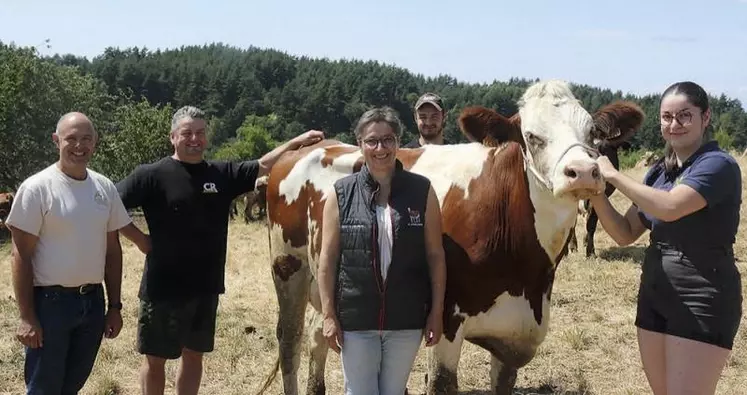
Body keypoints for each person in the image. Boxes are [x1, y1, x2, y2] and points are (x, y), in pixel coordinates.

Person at [115, 105, 324, 395]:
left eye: (200, 133)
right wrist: (139, 239)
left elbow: (262, 164)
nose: (194, 139)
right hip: (163, 287)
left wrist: (296, 142)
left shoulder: (220, 173)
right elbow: (110, 204)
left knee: (194, 355)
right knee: (156, 359)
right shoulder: (151, 175)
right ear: (172, 137)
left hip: (205, 286)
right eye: (187, 133)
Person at [589, 81, 743, 395]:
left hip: (701, 296)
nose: (674, 124)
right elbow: (624, 232)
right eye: (667, 117)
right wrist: (595, 195)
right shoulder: (659, 173)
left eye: (685, 115)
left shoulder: (718, 165)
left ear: (706, 117)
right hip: (655, 293)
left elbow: (671, 207)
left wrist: (613, 175)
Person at [318, 107, 447, 394]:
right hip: (356, 320)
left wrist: (436, 311)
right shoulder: (340, 193)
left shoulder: (422, 191)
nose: (380, 148)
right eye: (372, 141)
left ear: (398, 142)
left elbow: (435, 255)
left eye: (388, 140)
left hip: (406, 319)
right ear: (361, 145)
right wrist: (329, 315)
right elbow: (327, 260)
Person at [5, 112, 131, 394]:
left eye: (86, 139)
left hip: (92, 303)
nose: (79, 146)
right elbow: (21, 255)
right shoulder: (37, 188)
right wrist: (27, 316)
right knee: (44, 388)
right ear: (56, 141)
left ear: (95, 142)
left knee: (71, 386)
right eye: (71, 139)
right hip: (51, 305)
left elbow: (113, 251)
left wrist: (115, 307)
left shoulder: (104, 188)